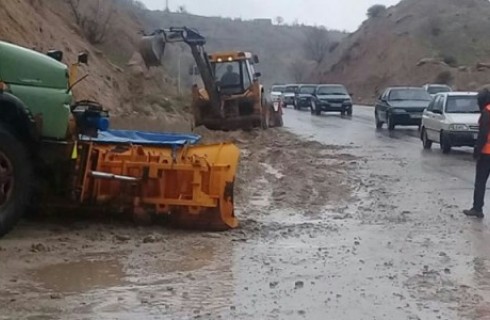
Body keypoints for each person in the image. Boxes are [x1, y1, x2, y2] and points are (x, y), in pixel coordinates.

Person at [464, 88, 490, 218]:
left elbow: (483, 134)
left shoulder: (487, 112)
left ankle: (477, 208)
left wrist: (477, 151)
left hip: (486, 153)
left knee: (480, 182)